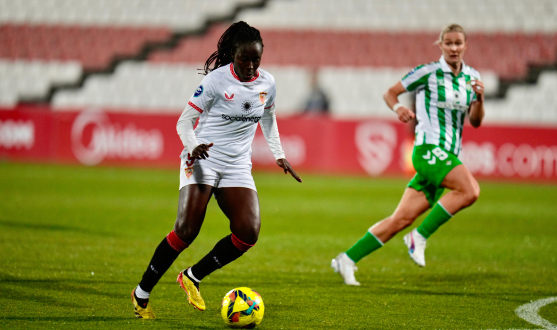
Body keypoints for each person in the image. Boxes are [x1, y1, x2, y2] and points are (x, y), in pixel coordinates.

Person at [131, 21, 302, 318]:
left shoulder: (268, 83)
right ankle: (142, 292)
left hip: (237, 165)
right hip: (202, 158)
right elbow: (183, 121)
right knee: (186, 230)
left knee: (248, 233)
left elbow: (269, 118)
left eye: (256, 60)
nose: (250, 66)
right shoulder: (215, 82)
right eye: (244, 59)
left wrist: (279, 154)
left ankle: (192, 276)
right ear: (233, 54)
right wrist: (193, 144)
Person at [331, 24, 484, 286]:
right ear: (441, 45)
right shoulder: (429, 72)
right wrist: (399, 107)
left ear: (466, 46)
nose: (454, 48)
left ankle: (347, 259)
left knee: (400, 219)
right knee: (470, 191)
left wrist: (480, 99)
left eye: (458, 43)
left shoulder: (472, 77)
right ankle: (419, 237)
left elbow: (476, 121)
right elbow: (390, 93)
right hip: (427, 150)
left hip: (446, 155)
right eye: (448, 43)